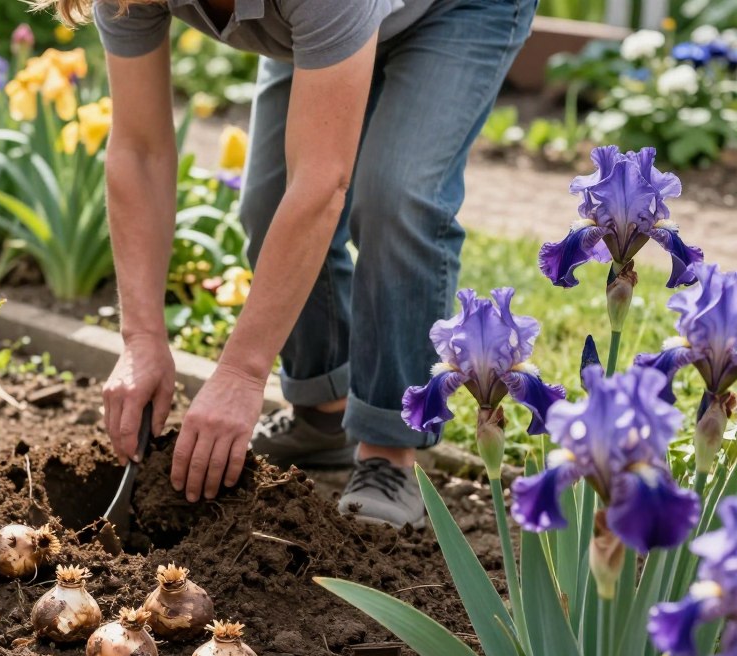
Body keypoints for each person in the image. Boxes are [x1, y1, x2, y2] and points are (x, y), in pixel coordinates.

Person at [41, 0, 536, 527]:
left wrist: (240, 373)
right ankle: (323, 411)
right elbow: (139, 151)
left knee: (398, 198)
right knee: (269, 199)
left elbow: (322, 187)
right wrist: (140, 339)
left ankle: (389, 450)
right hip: (322, 22)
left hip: (456, 9)